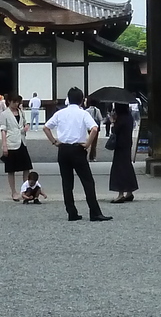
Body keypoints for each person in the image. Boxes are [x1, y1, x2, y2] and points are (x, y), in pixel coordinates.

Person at [42, 88, 111, 222]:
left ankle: (72, 212)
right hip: (78, 149)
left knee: (67, 183)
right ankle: (94, 212)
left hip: (63, 149)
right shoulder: (83, 113)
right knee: (87, 181)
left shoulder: (60, 113)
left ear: (68, 98)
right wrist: (87, 144)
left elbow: (46, 127)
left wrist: (54, 141)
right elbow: (94, 129)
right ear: (81, 99)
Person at [0, 93, 34, 201]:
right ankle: (13, 192)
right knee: (11, 169)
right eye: (14, 102)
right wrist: (4, 145)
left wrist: (26, 126)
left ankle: (25, 190)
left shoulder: (21, 112)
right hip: (11, 142)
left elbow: (25, 123)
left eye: (18, 102)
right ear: (9, 101)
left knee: (26, 167)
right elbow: (3, 130)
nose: (16, 104)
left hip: (22, 141)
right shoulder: (4, 114)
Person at [107, 101, 138, 204]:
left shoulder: (121, 119)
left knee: (119, 168)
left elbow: (115, 130)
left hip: (120, 145)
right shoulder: (129, 117)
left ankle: (121, 193)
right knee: (127, 166)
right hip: (127, 143)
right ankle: (129, 191)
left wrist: (112, 121)